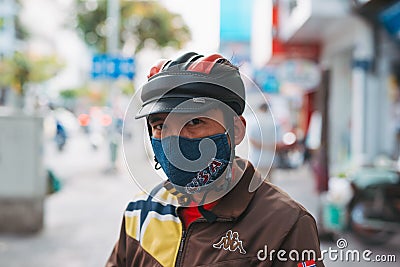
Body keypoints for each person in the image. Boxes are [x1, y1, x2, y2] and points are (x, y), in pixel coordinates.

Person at [106, 52, 325, 267]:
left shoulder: (284, 223)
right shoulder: (139, 212)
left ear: (236, 130)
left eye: (193, 122)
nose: (174, 142)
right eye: (161, 126)